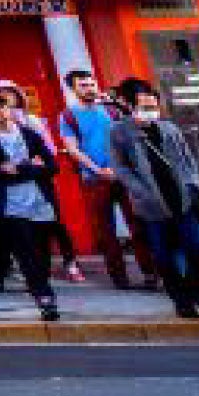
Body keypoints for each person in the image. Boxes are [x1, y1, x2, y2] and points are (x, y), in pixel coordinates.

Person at [108, 77, 199, 320]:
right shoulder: (119, 132)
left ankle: (197, 291)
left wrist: (192, 184)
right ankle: (181, 300)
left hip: (184, 197)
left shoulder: (169, 128)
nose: (149, 110)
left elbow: (187, 159)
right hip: (151, 205)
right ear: (128, 105)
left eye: (152, 104)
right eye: (143, 105)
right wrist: (140, 191)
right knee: (164, 257)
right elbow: (120, 167)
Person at [0, 86, 64, 321]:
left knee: (43, 252)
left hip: (40, 201)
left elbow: (52, 166)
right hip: (10, 206)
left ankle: (42, 286)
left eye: (3, 106)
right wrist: (32, 166)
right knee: (27, 253)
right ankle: (44, 297)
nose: (1, 112)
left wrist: (19, 168)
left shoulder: (30, 134)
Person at [54, 70, 139, 291]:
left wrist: (119, 167)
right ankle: (119, 277)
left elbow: (129, 137)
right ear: (73, 89)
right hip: (94, 179)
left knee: (138, 224)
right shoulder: (68, 116)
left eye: (91, 84)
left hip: (123, 175)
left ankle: (151, 272)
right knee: (106, 231)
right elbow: (72, 149)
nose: (89, 88)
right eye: (83, 85)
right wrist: (97, 169)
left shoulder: (111, 111)